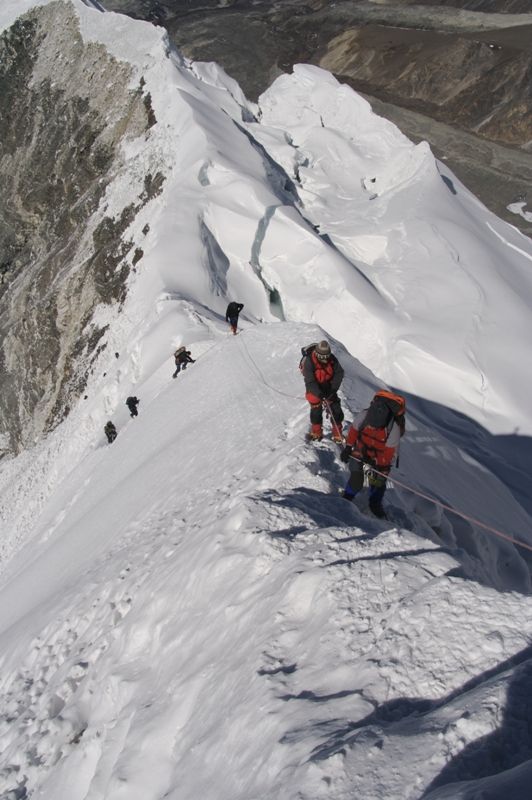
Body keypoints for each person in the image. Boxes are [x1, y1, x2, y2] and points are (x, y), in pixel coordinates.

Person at [340, 390, 406, 518]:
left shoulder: (394, 428)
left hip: (381, 455)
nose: (373, 428)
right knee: (356, 476)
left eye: (376, 427)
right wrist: (348, 447)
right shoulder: (365, 415)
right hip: (362, 448)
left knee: (378, 480)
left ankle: (375, 503)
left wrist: (380, 465)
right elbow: (354, 430)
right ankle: (348, 496)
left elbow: (388, 452)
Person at [300, 340, 344, 442]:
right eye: (322, 358)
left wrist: (332, 390)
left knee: (335, 408)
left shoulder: (332, 359)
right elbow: (310, 382)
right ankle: (316, 432)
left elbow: (339, 373)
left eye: (326, 357)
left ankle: (338, 434)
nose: (325, 360)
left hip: (328, 386)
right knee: (316, 408)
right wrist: (320, 395)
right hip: (314, 388)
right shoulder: (309, 362)